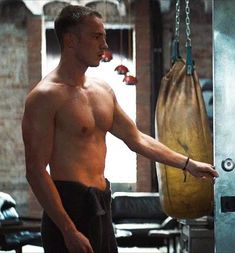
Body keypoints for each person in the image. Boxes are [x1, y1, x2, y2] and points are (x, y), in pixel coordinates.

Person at [21, 4, 218, 253]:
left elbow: (137, 139)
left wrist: (188, 164)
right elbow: (35, 171)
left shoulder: (103, 90)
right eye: (96, 37)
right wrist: (68, 229)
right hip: (68, 206)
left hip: (101, 204)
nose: (105, 45)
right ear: (70, 40)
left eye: (104, 36)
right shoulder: (44, 97)